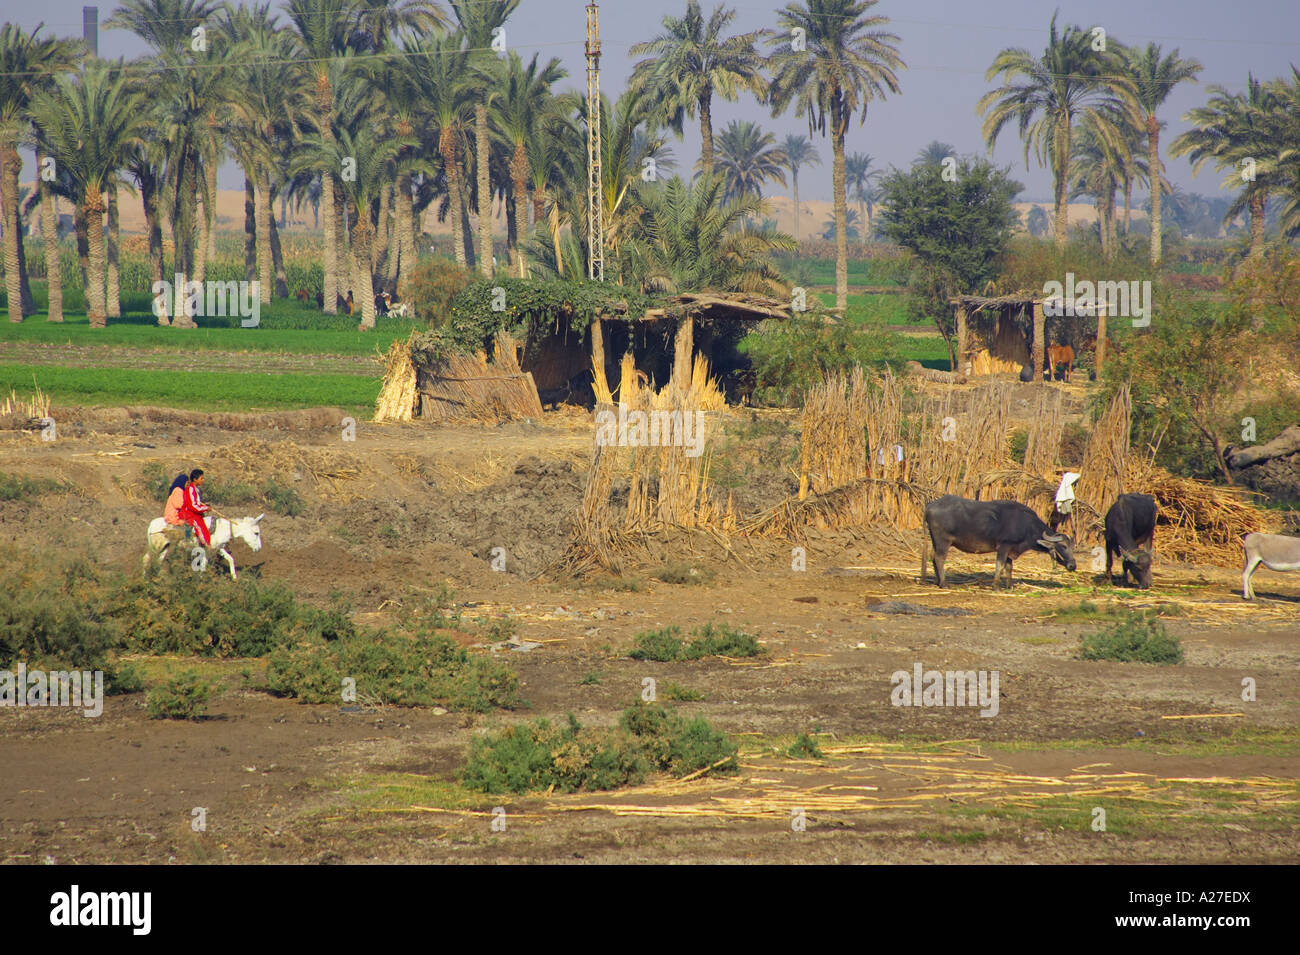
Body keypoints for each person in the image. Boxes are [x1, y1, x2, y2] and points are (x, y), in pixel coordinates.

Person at [175, 468, 213, 547]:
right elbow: (193, 506)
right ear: (195, 479)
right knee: (201, 530)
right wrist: (205, 508)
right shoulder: (190, 489)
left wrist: (205, 506)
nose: (203, 480)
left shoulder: (196, 490)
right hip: (189, 514)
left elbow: (197, 503)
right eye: (201, 478)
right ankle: (207, 546)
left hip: (195, 514)